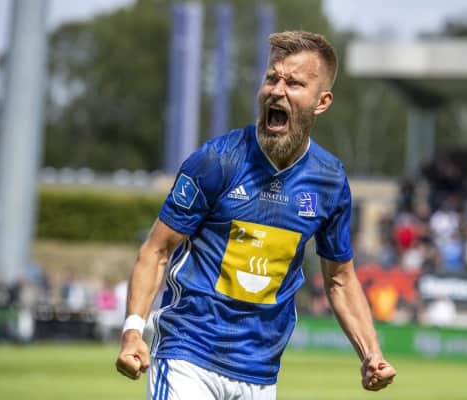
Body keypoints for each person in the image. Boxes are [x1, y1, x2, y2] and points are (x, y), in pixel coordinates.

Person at [115, 30, 396, 399]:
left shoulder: (329, 180)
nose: (277, 90)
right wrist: (133, 330)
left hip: (260, 374)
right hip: (188, 354)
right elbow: (157, 250)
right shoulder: (217, 159)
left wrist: (370, 354)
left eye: (294, 83)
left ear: (322, 101)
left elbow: (340, 280)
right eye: (271, 78)